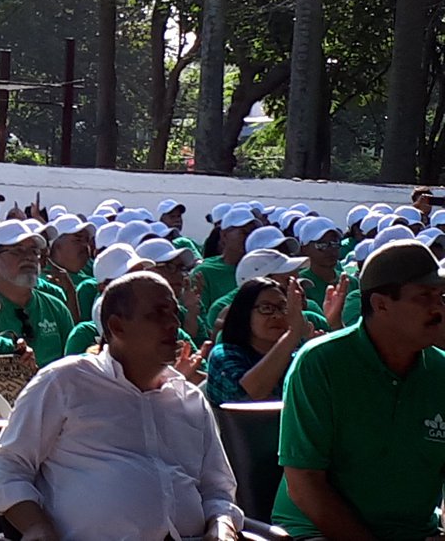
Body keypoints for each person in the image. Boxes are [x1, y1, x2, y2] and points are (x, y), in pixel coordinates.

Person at [0, 272, 243, 541]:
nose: (173, 325)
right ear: (117, 327)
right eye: (157, 314)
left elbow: (218, 489)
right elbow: (8, 464)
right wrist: (36, 528)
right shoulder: (66, 382)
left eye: (174, 313)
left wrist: (222, 524)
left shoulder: (189, 399)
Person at [271, 241, 445, 540]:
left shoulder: (440, 371)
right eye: (424, 297)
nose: (439, 308)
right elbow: (304, 483)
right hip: (320, 533)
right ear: (381, 304)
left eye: (441, 296)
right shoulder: (321, 363)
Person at [0, 220, 74, 367]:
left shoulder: (56, 309)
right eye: (17, 251)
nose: (29, 257)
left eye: (34, 251)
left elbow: (71, 368)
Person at [205, 277, 312, 406]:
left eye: (283, 308)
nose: (277, 316)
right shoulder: (223, 355)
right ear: (244, 313)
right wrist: (293, 334)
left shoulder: (296, 358)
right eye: (266, 308)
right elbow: (250, 396)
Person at [191, 206, 257, 319]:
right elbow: (199, 317)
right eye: (244, 232)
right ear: (224, 235)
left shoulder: (262, 269)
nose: (249, 238)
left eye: (253, 233)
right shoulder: (205, 271)